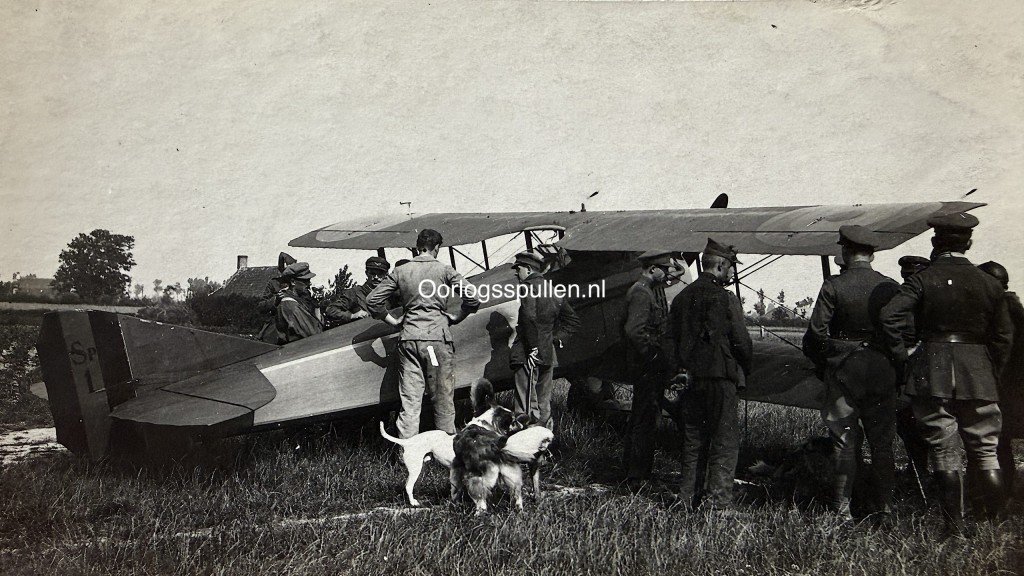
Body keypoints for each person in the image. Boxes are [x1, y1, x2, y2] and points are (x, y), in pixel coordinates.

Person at [881, 212, 1013, 535]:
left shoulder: (923, 279)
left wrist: (904, 355)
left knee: (943, 448)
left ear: (934, 242)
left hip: (932, 369)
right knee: (985, 450)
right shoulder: (989, 283)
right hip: (978, 371)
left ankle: (953, 527)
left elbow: (889, 316)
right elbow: (1004, 336)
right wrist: (989, 366)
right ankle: (995, 527)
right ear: (968, 243)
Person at [802, 226, 901, 521]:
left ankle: (842, 512)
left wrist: (829, 360)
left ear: (845, 251)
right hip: (881, 371)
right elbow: (899, 333)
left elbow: (816, 334)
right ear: (872, 254)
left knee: (844, 443)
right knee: (882, 445)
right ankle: (885, 509)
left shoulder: (834, 285)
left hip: (843, 370)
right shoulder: (890, 286)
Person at [366, 229, 480, 438]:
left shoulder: (401, 271)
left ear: (417, 247)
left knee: (410, 400)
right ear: (437, 248)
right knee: (442, 397)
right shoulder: (445, 270)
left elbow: (372, 300)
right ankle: (445, 450)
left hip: (408, 340)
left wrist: (393, 321)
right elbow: (473, 298)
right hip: (435, 342)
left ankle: (406, 453)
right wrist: (457, 316)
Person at [665, 238, 752, 510]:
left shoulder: (681, 298)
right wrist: (743, 370)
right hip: (721, 378)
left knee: (693, 441)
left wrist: (679, 371)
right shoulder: (726, 299)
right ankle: (718, 504)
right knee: (724, 442)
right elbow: (742, 342)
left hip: (690, 379)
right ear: (722, 266)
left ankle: (686, 499)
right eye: (731, 268)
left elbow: (669, 341)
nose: (732, 273)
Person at [509, 250, 580, 428]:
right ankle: (544, 443)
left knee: (525, 408)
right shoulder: (553, 290)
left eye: (518, 269)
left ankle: (526, 446)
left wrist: (533, 348)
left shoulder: (527, 287)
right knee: (543, 404)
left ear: (528, 269)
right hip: (548, 353)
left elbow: (528, 316)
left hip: (528, 354)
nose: (516, 273)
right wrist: (555, 339)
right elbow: (572, 321)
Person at [621, 250, 673, 489]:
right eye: (664, 268)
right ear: (653, 269)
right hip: (647, 366)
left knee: (641, 417)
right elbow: (634, 330)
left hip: (642, 365)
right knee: (645, 419)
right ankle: (637, 476)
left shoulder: (640, 290)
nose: (667, 273)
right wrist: (652, 355)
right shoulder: (642, 293)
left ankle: (633, 471)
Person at [978, 260, 1024, 498]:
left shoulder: (997, 310)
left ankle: (1001, 494)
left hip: (1003, 385)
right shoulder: (1014, 306)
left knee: (997, 441)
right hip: (1014, 386)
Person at [894, 254, 932, 482]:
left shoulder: (901, 297)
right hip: (913, 367)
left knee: (910, 421)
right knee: (909, 421)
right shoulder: (917, 297)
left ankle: (918, 467)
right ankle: (918, 467)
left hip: (912, 365)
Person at [323, 256, 395, 328]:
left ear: (386, 275)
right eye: (372, 273)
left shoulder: (392, 293)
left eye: (380, 274)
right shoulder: (354, 293)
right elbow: (331, 309)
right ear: (366, 273)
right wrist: (352, 316)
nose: (376, 277)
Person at [274, 262, 323, 344]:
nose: (309, 284)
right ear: (293, 282)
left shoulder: (298, 301)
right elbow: (315, 334)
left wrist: (316, 304)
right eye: (305, 281)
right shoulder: (291, 305)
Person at [257, 252, 297, 343]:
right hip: (276, 327)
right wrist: (275, 299)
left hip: (295, 325)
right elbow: (261, 306)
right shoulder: (273, 283)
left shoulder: (297, 283)